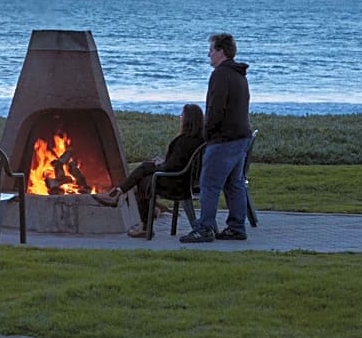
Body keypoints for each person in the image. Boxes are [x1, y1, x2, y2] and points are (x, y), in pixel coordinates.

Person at [180, 32, 252, 243]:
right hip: (240, 137)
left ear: (221, 51)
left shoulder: (220, 75)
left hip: (224, 139)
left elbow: (215, 108)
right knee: (234, 183)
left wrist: (207, 134)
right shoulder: (239, 75)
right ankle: (236, 227)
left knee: (209, 183)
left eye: (211, 50)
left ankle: (205, 227)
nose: (208, 55)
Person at [92, 104, 204, 238]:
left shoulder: (183, 141)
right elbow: (179, 164)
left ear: (187, 121)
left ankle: (121, 199)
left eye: (182, 116)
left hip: (175, 183)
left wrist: (159, 165)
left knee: (143, 176)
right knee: (145, 171)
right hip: (184, 182)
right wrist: (162, 163)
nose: (180, 119)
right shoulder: (200, 140)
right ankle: (118, 195)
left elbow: (171, 167)